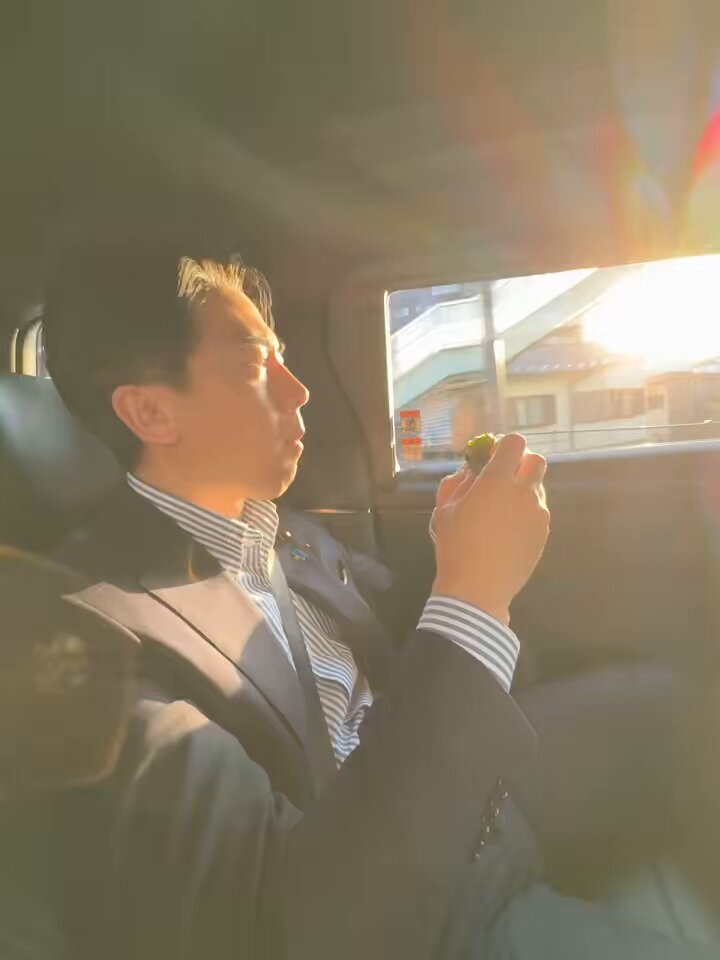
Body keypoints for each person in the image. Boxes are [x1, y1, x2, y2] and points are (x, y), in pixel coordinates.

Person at [43, 244, 719, 958]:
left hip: (462, 790)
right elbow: (290, 928)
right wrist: (473, 592)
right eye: (253, 366)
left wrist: (460, 548)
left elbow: (400, 638)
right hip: (412, 899)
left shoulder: (284, 533)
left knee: (678, 705)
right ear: (151, 412)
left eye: (283, 356)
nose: (299, 390)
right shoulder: (96, 642)